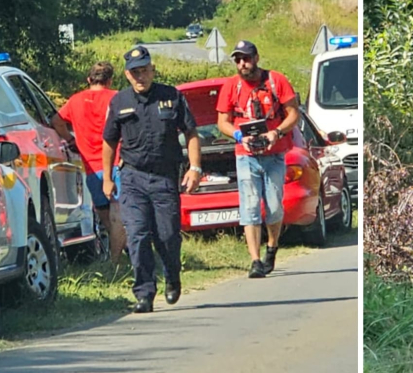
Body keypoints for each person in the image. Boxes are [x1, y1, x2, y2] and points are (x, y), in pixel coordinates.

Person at [102, 46, 202, 313]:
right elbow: (109, 140)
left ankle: (172, 276)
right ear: (127, 74)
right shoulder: (119, 102)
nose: (140, 77)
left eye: (144, 71)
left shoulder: (171, 96)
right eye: (135, 72)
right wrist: (107, 177)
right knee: (137, 235)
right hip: (132, 178)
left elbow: (191, 133)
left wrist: (195, 168)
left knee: (167, 236)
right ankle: (144, 292)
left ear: (152, 70)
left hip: (164, 178)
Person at [215, 40, 300, 278]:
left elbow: (293, 113)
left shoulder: (277, 81)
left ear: (257, 57)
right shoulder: (231, 86)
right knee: (249, 208)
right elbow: (222, 121)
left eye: (247, 58)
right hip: (246, 156)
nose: (243, 64)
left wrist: (277, 132)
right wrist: (239, 135)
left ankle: (271, 248)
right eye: (238, 60)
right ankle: (254, 260)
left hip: (274, 154)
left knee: (273, 208)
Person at [51, 61, 127, 263]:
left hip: (91, 167)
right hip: (117, 162)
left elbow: (56, 121)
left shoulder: (75, 100)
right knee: (119, 212)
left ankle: (117, 257)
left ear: (88, 80)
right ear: (110, 80)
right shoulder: (117, 98)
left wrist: (69, 140)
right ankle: (119, 258)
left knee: (104, 214)